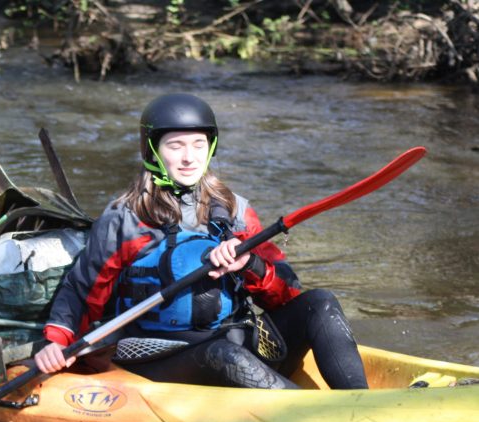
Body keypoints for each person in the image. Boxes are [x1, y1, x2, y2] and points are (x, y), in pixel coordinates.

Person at [33, 93, 368, 390]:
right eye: (175, 146)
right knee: (224, 355)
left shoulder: (235, 210)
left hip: (239, 338)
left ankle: (358, 402)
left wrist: (248, 264)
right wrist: (55, 342)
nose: (189, 158)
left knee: (320, 303)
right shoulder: (126, 218)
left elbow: (288, 292)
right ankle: (314, 417)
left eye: (198, 145)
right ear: (153, 150)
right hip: (164, 353)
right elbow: (82, 290)